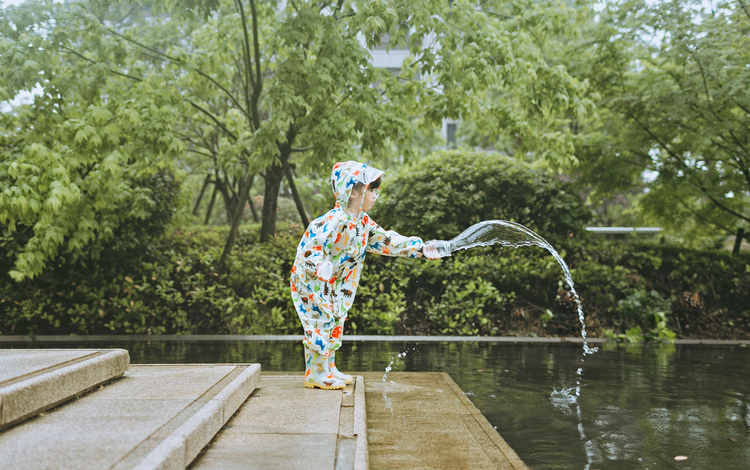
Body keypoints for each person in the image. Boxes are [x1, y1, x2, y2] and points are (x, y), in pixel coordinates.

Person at [290, 161, 441, 389]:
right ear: (351, 191)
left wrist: (420, 248)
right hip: (311, 281)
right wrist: (320, 267)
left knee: (335, 319)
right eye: (371, 189)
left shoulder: (362, 223)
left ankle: (328, 367)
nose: (375, 194)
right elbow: (311, 249)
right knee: (319, 321)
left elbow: (388, 240)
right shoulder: (332, 222)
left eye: (375, 189)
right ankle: (315, 373)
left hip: (337, 284)